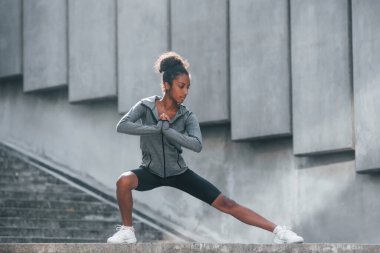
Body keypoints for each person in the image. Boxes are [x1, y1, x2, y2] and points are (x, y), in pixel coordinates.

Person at [107, 51, 304, 244]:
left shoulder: (187, 116)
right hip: (150, 170)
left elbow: (196, 144)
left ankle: (280, 231)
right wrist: (156, 128)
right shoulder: (145, 106)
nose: (185, 92)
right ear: (166, 85)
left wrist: (168, 131)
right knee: (124, 181)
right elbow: (122, 126)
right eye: (181, 86)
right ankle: (127, 231)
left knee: (227, 203)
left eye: (188, 87)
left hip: (179, 173)